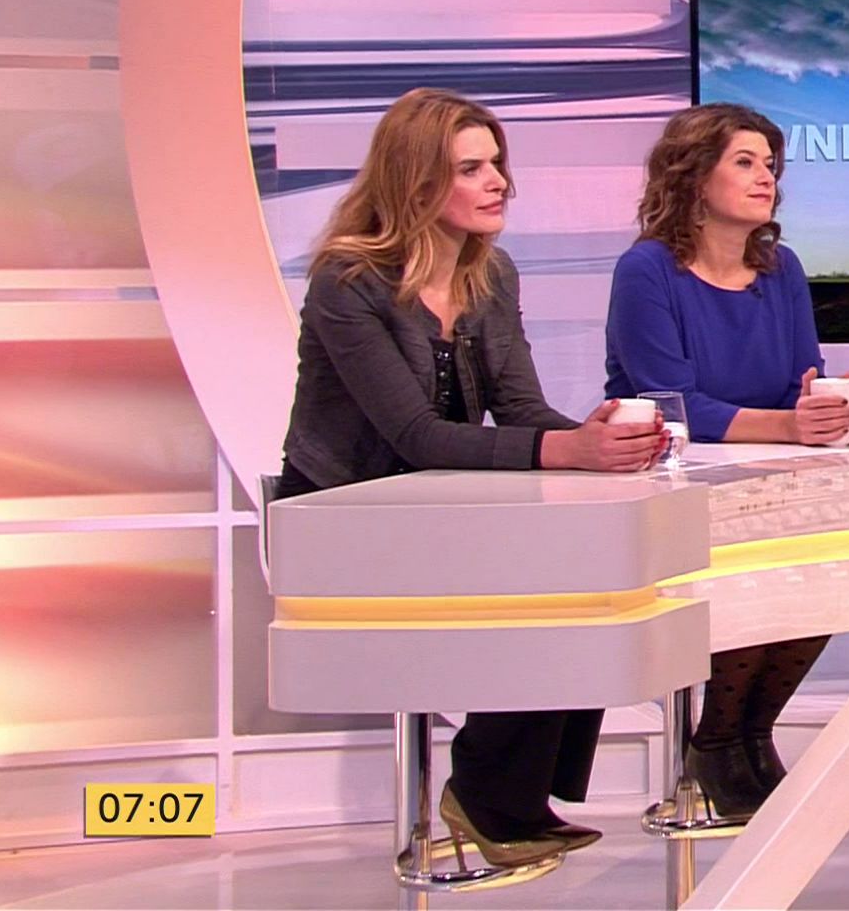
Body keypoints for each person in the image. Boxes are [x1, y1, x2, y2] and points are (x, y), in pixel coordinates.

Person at [275, 88, 666, 867]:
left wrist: (598, 437)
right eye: (471, 169)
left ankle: (511, 792)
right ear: (415, 181)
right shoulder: (348, 283)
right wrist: (566, 452)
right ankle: (491, 791)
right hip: (343, 519)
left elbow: (520, 409)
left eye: (497, 164)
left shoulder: (492, 274)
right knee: (552, 578)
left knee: (595, 568)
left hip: (445, 506)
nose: (499, 183)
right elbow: (415, 436)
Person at [605, 102, 849, 820]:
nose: (765, 178)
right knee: (754, 569)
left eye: (770, 165)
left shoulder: (782, 270)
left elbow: (799, 380)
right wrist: (789, 425)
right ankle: (717, 738)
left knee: (827, 568)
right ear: (693, 175)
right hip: (673, 481)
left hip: (768, 476)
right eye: (744, 163)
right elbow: (673, 403)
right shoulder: (647, 270)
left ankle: (748, 732)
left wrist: (826, 409)